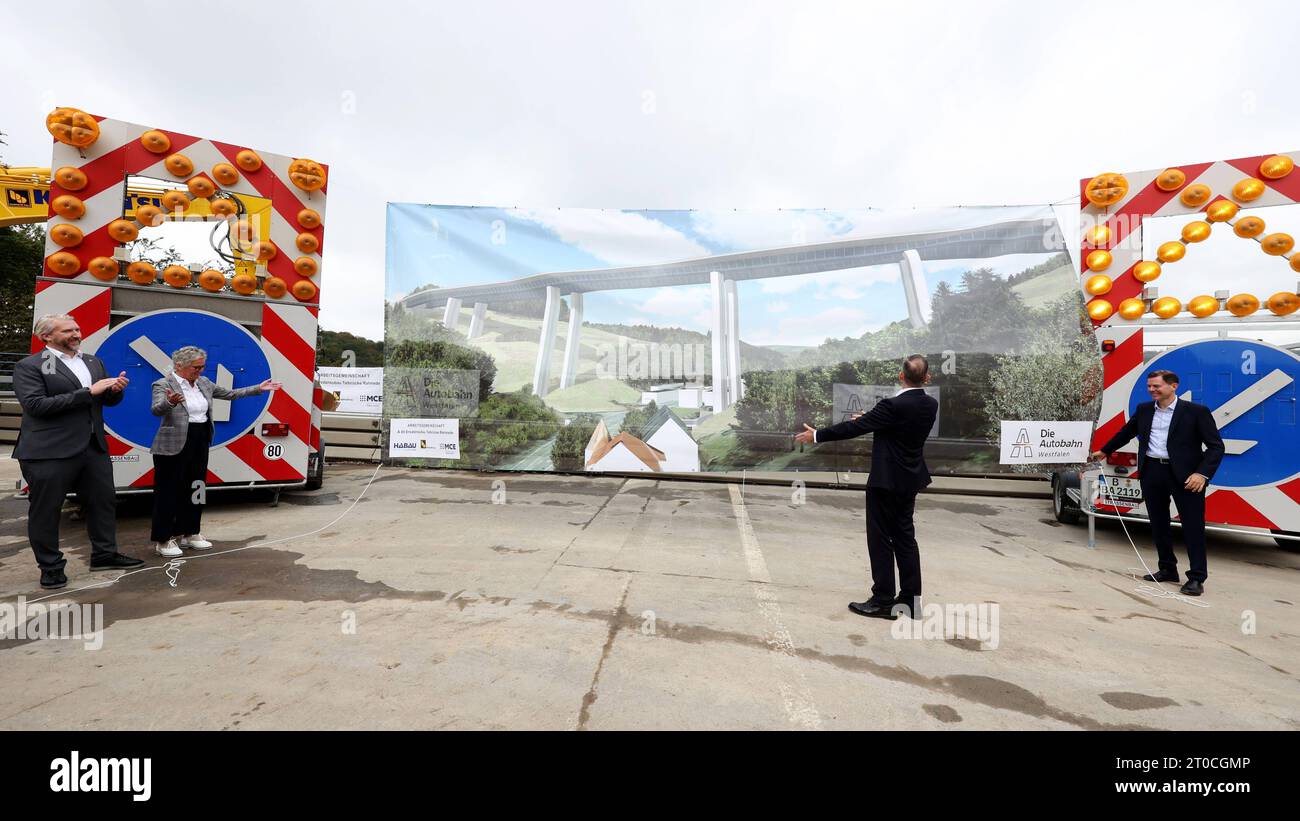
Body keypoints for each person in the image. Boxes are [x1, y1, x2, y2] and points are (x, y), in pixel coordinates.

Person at [795, 355, 939, 620]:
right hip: (910, 480)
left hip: (886, 482)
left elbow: (855, 428)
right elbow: (900, 429)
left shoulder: (892, 405)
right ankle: (910, 600)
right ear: (926, 378)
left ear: (900, 376)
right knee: (906, 539)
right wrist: (875, 419)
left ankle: (883, 600)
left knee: (881, 539)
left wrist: (816, 435)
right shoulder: (930, 404)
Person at [13, 314, 144, 589]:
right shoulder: (31, 366)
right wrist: (90, 391)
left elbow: (102, 399)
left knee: (103, 502)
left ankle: (104, 554)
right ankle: (51, 567)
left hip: (92, 446)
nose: (76, 333)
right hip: (48, 450)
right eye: (68, 330)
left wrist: (115, 390)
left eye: (77, 328)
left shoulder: (92, 361)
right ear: (46, 337)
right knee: (46, 511)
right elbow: (36, 405)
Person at [1089, 369, 1224, 596]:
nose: (1152, 390)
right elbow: (1127, 432)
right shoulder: (1144, 410)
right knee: (1158, 523)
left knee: (1193, 527)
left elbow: (1216, 446)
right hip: (1152, 471)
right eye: (1149, 386)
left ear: (1173, 386)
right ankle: (1167, 568)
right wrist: (1105, 450)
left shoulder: (1196, 412)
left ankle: (1196, 578)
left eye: (1156, 386)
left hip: (1186, 477)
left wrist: (1202, 474)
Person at [148, 346, 281, 557]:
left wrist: (258, 388)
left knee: (196, 487)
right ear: (179, 366)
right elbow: (156, 409)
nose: (200, 371)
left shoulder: (204, 383)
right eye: (196, 367)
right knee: (169, 491)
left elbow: (229, 394)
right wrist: (170, 402)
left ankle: (191, 532)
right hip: (172, 444)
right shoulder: (163, 384)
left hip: (200, 438)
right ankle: (164, 539)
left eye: (202, 367)